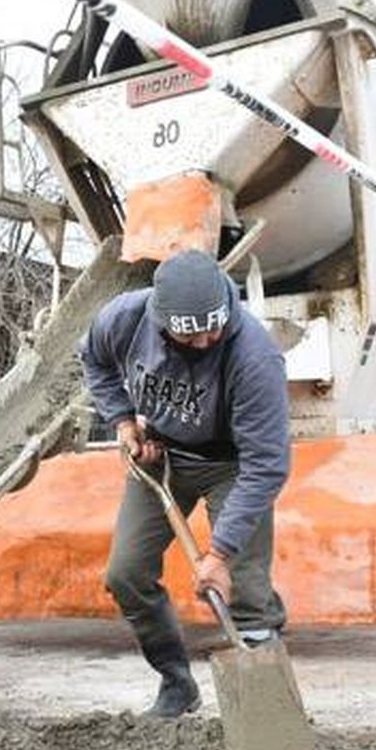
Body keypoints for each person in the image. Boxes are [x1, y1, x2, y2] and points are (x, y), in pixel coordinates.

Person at [79, 248, 290, 718]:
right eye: (190, 335)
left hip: (233, 466)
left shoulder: (255, 357)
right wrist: (122, 421)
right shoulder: (125, 319)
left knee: (246, 594)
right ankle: (176, 683)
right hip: (164, 459)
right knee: (126, 574)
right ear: (161, 319)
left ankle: (266, 718)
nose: (206, 341)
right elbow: (93, 359)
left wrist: (219, 556)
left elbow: (266, 464)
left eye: (215, 328)